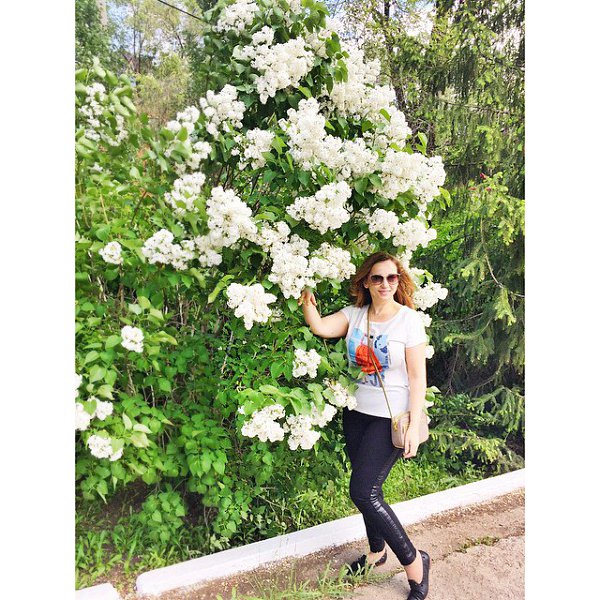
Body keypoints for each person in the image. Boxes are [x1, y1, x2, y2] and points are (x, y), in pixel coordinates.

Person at [298, 251, 431, 600]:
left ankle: (415, 563)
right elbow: (320, 327)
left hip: (391, 419)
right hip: (356, 414)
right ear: (366, 282)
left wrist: (414, 425)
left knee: (363, 491)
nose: (385, 284)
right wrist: (306, 296)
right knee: (370, 490)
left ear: (398, 281)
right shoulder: (354, 315)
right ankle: (376, 552)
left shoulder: (409, 321)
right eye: (377, 278)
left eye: (391, 277)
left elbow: (417, 377)